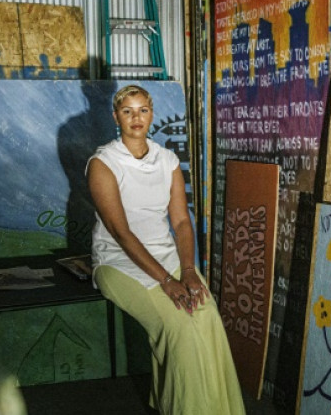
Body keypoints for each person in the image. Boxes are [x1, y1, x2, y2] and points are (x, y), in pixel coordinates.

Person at [87, 84, 245, 415]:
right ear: (116, 117)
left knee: (207, 315)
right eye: (127, 111)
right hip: (118, 261)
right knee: (180, 328)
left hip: (167, 256)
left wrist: (187, 271)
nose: (136, 118)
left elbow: (182, 222)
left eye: (143, 110)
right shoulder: (103, 163)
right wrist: (166, 280)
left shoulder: (167, 160)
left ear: (152, 115)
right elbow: (121, 232)